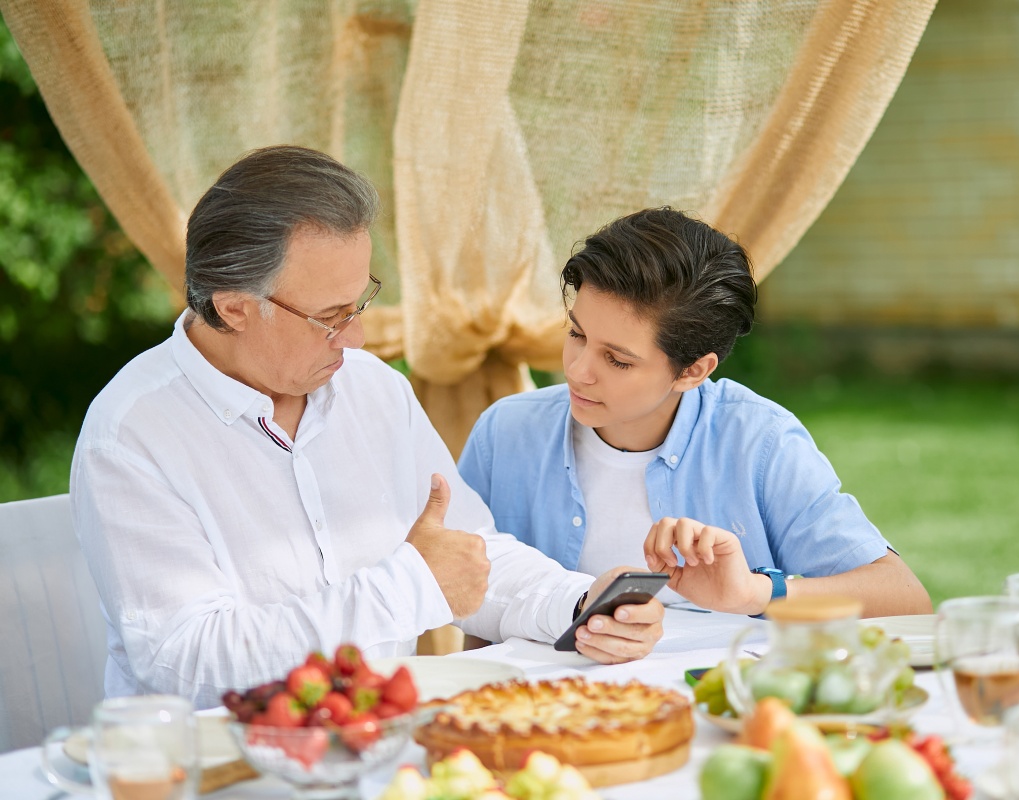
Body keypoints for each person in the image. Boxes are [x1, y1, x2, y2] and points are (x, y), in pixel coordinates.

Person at [71, 146, 663, 709]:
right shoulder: (130, 435)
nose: (355, 339)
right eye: (331, 317)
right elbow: (189, 663)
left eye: (360, 303)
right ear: (234, 308)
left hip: (388, 747)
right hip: (225, 773)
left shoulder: (371, 387)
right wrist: (408, 586)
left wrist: (581, 604)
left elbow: (468, 557)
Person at [458, 208, 931, 618]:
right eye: (577, 334)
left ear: (692, 370)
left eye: (617, 360)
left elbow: (903, 596)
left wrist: (754, 592)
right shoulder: (506, 433)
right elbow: (465, 603)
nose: (578, 372)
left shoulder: (759, 442)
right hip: (545, 710)